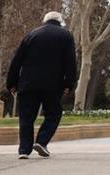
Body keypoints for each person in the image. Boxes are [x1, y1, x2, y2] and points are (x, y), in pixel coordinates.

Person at [5, 11, 77, 159]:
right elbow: (70, 62)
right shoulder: (66, 36)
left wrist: (11, 82)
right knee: (53, 114)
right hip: (53, 84)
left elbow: (17, 60)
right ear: (60, 22)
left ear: (45, 20)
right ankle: (41, 142)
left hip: (28, 83)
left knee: (26, 117)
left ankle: (24, 150)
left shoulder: (31, 35)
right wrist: (69, 83)